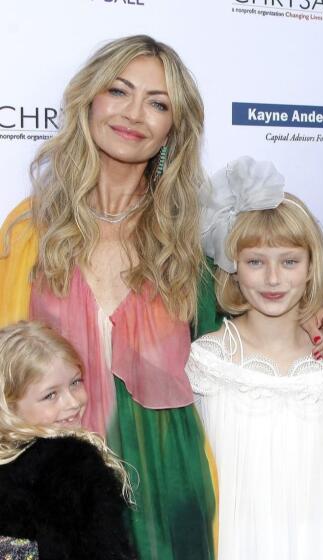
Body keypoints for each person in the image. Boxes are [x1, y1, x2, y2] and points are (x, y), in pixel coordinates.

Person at [0, 35, 219, 559]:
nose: (134, 113)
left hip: (170, 489)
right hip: (53, 496)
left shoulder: (193, 245)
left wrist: (314, 317)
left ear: (173, 128)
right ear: (89, 101)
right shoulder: (29, 231)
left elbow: (241, 348)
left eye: (158, 103)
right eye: (119, 91)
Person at [186, 157, 323, 559]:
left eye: (289, 261)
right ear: (232, 269)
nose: (272, 279)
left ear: (310, 266)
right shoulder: (206, 362)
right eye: (255, 262)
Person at [0, 321, 133, 559]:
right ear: (9, 407)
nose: (72, 402)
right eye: (50, 395)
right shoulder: (74, 465)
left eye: (75, 382)